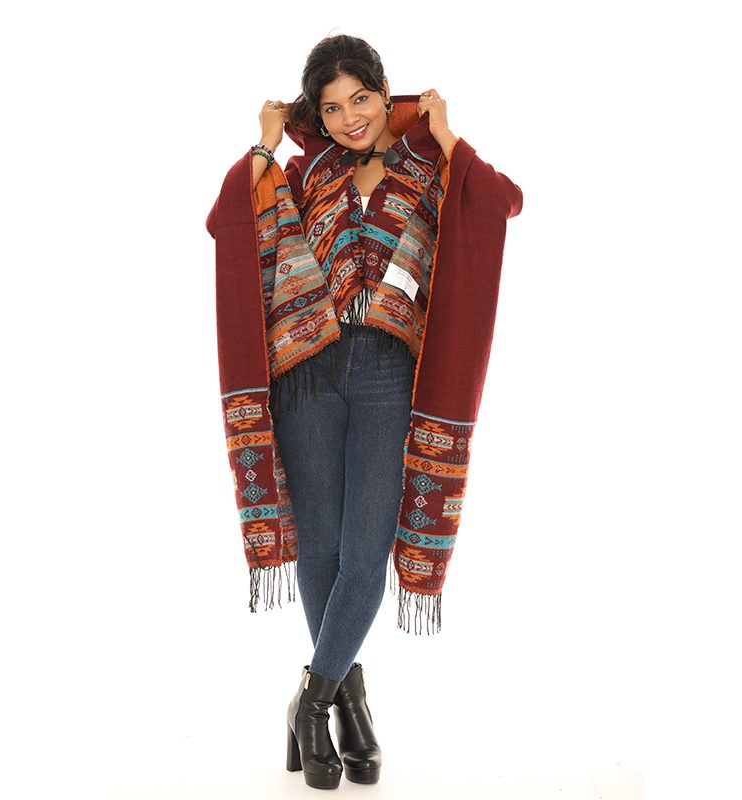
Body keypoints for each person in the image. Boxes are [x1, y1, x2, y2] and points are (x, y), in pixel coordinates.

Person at [209, 33, 522, 791]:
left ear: (385, 93)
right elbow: (226, 221)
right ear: (315, 115)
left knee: (366, 554)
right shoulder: (303, 171)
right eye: (332, 108)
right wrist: (266, 141)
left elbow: (501, 201)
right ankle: (350, 704)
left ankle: (310, 702)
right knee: (319, 546)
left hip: (387, 372)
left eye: (361, 99)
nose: (350, 118)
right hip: (307, 372)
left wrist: (446, 131)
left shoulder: (429, 166)